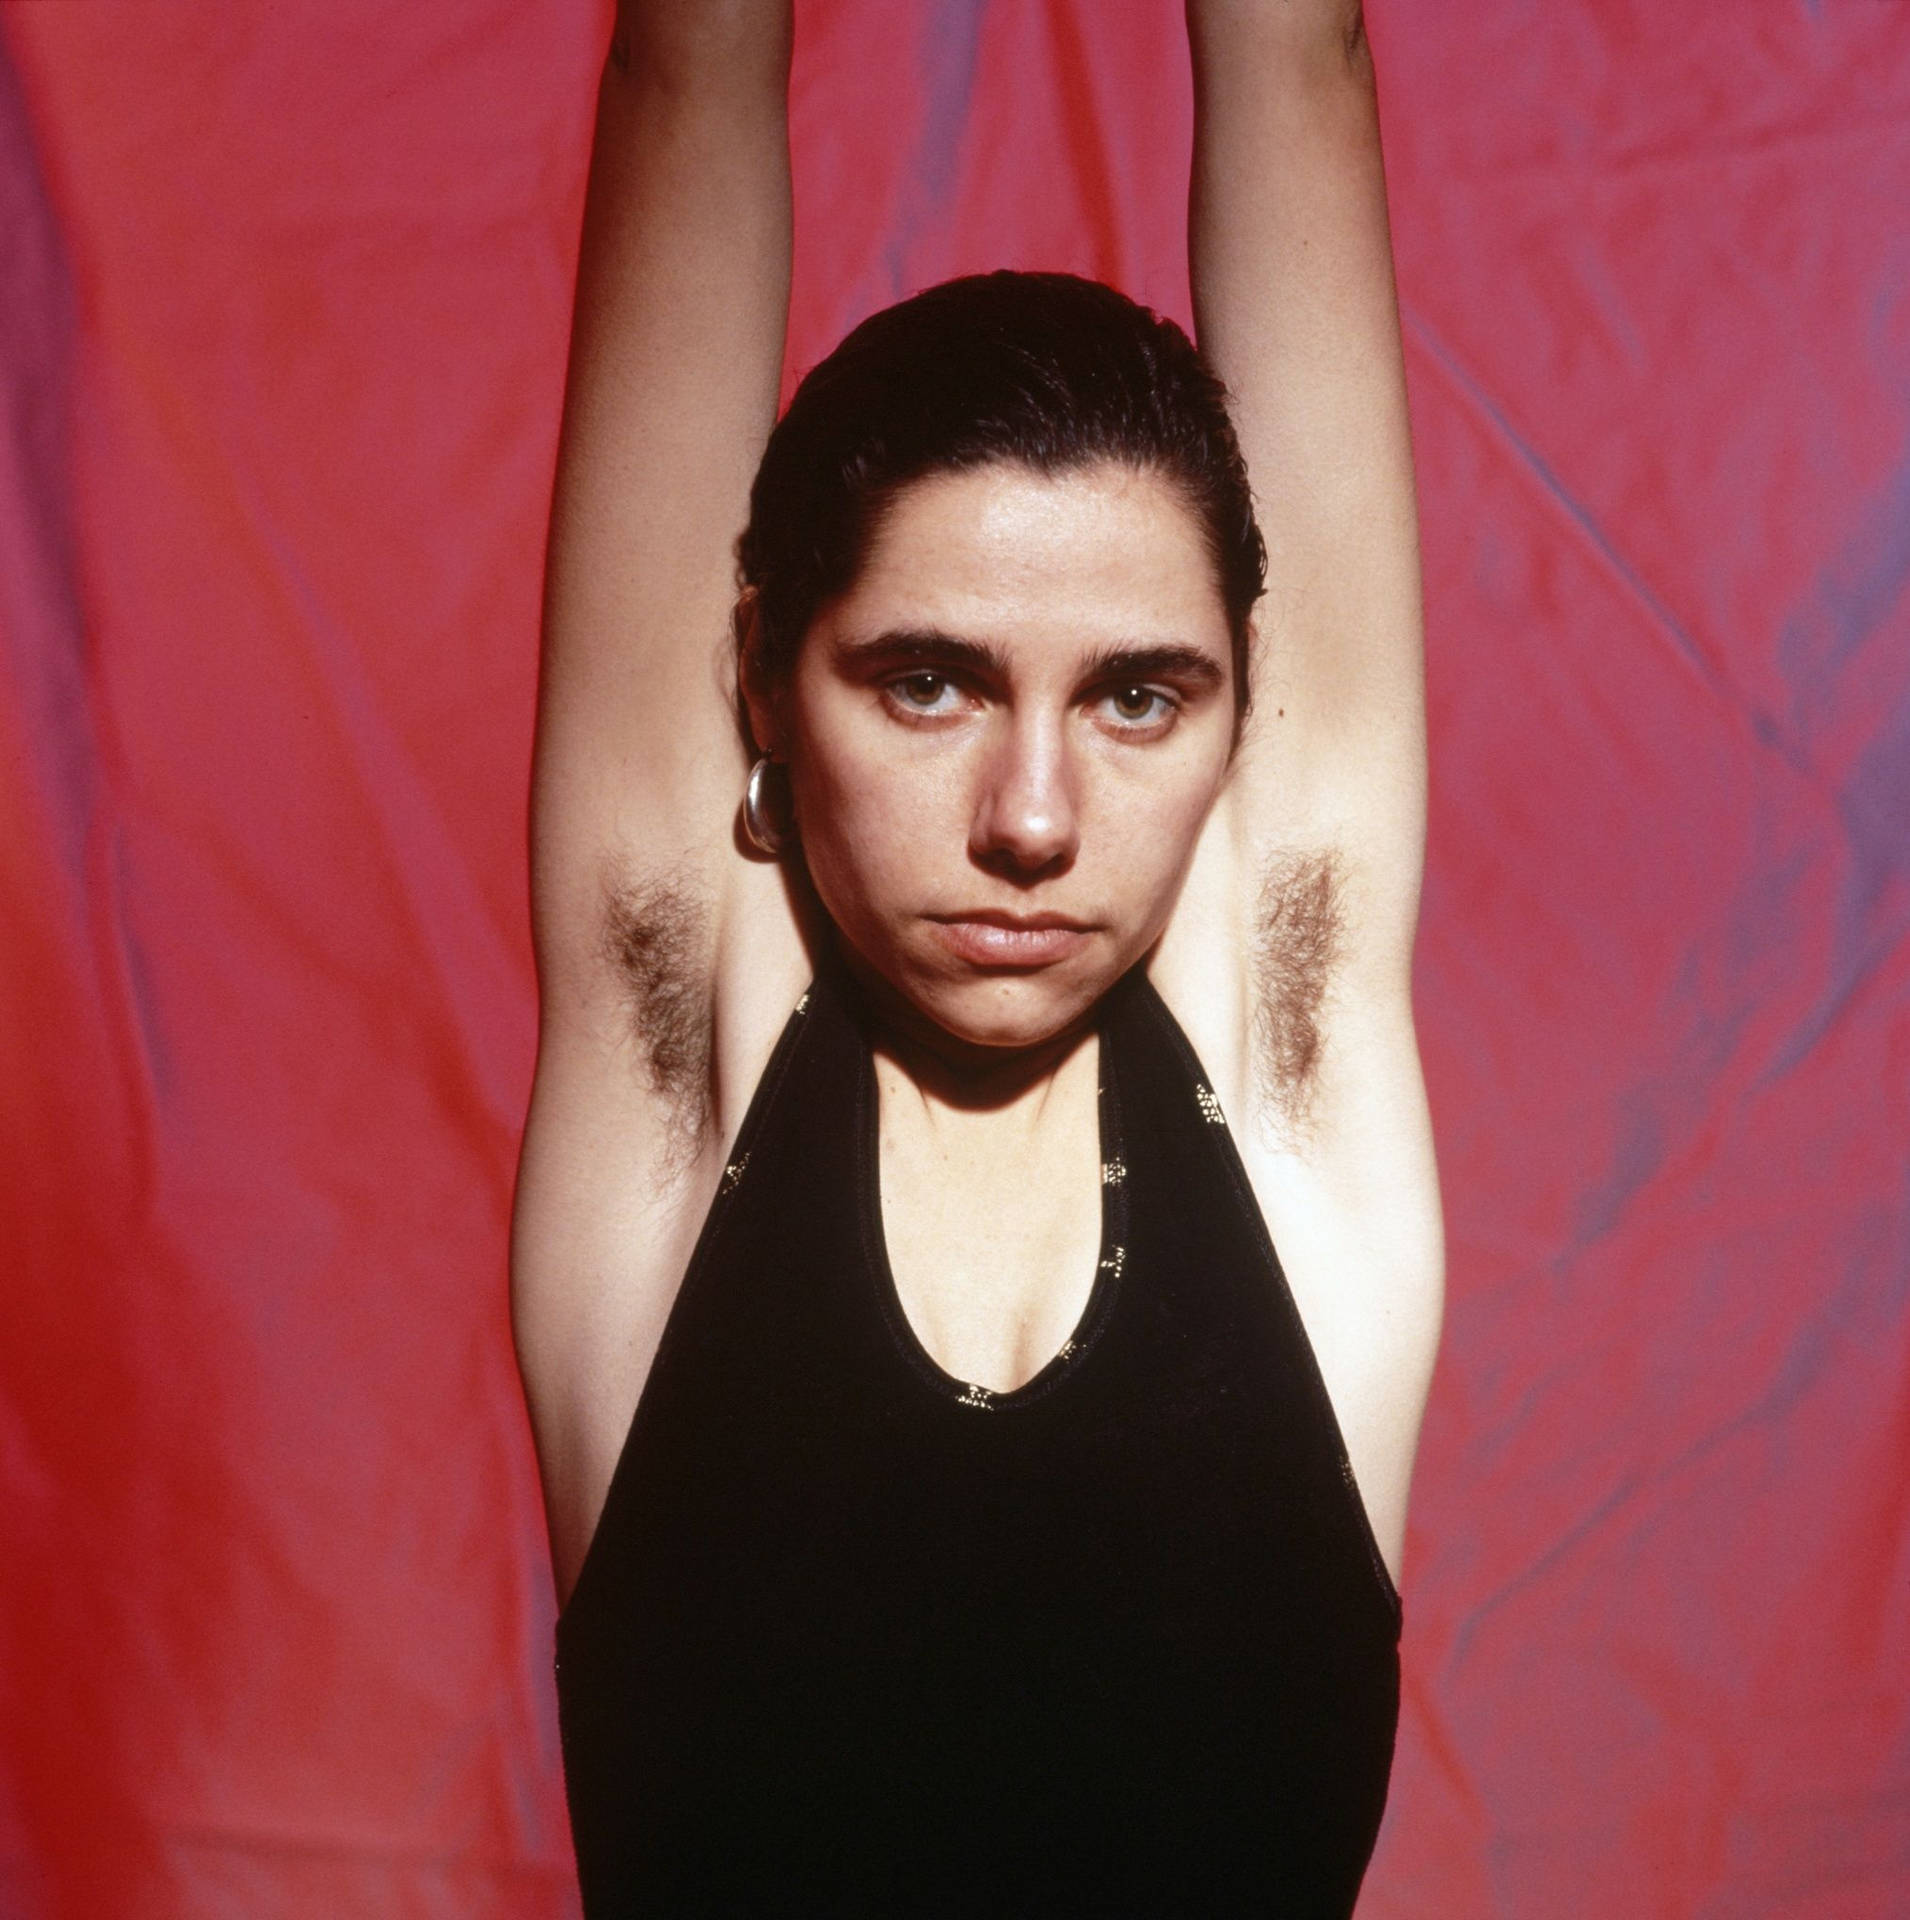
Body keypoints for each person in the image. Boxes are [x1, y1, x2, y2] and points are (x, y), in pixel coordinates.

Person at [510, 0, 1443, 1910]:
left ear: (1244, 717)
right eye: (924, 683)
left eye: (1139, 697)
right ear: (767, 676)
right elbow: (688, 63)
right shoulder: (687, 1054)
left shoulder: (1286, 1046)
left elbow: (1301, 52)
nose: (1031, 815)